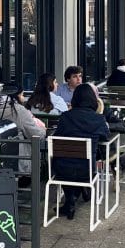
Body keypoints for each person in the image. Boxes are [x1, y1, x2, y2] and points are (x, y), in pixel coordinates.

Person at [51, 82, 111, 220]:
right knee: (81, 165)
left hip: (60, 170)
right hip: (86, 170)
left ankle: (70, 201)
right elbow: (106, 137)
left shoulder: (66, 117)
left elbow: (57, 136)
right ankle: (74, 198)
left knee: (70, 166)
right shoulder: (98, 119)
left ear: (75, 99)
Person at [0, 83, 46, 181]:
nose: (23, 98)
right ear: (16, 96)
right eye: (22, 95)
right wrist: (43, 129)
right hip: (19, 163)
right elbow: (36, 134)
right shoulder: (18, 110)